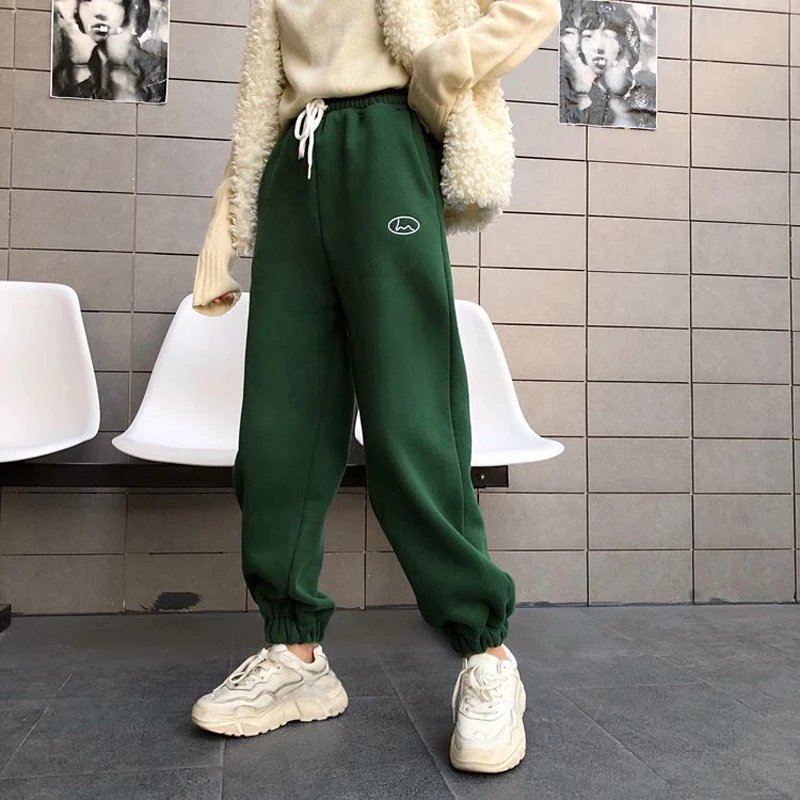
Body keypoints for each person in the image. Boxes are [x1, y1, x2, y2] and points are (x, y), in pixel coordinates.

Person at [189, 0, 560, 775]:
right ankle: (295, 653)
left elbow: (532, 10)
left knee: (410, 415)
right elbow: (263, 93)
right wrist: (224, 227)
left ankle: (486, 652)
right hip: (294, 163)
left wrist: (439, 71)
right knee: (280, 426)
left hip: (387, 144)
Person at [560, 1, 655, 128]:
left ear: (623, 44)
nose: (598, 47)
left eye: (608, 35)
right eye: (588, 36)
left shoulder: (646, 90)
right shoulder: (580, 96)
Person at [52, 0, 166, 102]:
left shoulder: (160, 74)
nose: (99, 13)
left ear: (130, 9)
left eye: (113, 1)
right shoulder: (70, 87)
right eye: (88, 0)